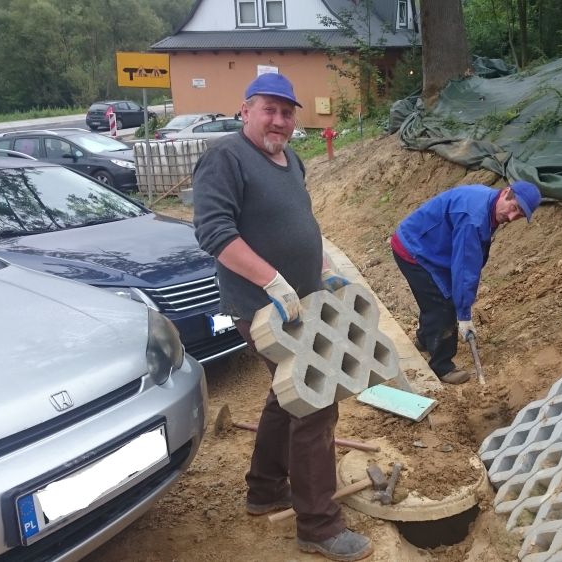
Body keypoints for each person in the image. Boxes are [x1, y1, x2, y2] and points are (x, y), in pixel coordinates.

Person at [192, 73, 371, 562]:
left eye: (287, 112)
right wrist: (271, 281)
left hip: (302, 303)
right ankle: (318, 525)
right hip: (262, 308)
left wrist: (323, 267)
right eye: (268, 109)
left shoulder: (291, 159)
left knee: (285, 394)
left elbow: (299, 222)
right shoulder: (226, 158)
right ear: (245, 111)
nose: (278, 120)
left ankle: (266, 488)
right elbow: (214, 233)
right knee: (315, 398)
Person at [391, 181, 541, 384]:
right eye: (514, 208)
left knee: (436, 298)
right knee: (443, 305)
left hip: (430, 245)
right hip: (414, 250)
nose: (512, 217)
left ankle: (425, 340)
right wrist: (463, 315)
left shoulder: (489, 203)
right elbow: (465, 267)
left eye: (520, 215)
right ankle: (442, 366)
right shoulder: (474, 219)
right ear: (506, 192)